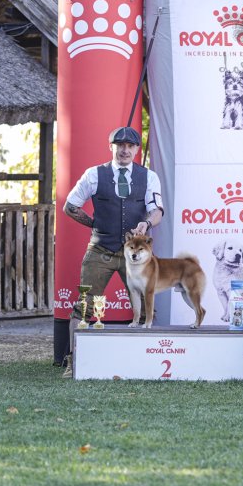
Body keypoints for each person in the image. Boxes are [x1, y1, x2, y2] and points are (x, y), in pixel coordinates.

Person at [62, 126, 163, 373]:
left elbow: (157, 211)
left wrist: (147, 224)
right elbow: (70, 206)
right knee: (84, 306)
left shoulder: (149, 177)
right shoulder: (94, 175)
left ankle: (148, 363)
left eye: (130, 146)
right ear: (111, 147)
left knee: (147, 305)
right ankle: (73, 362)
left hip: (137, 255)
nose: (124, 150)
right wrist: (94, 224)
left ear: (137, 149)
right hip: (100, 249)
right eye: (120, 145)